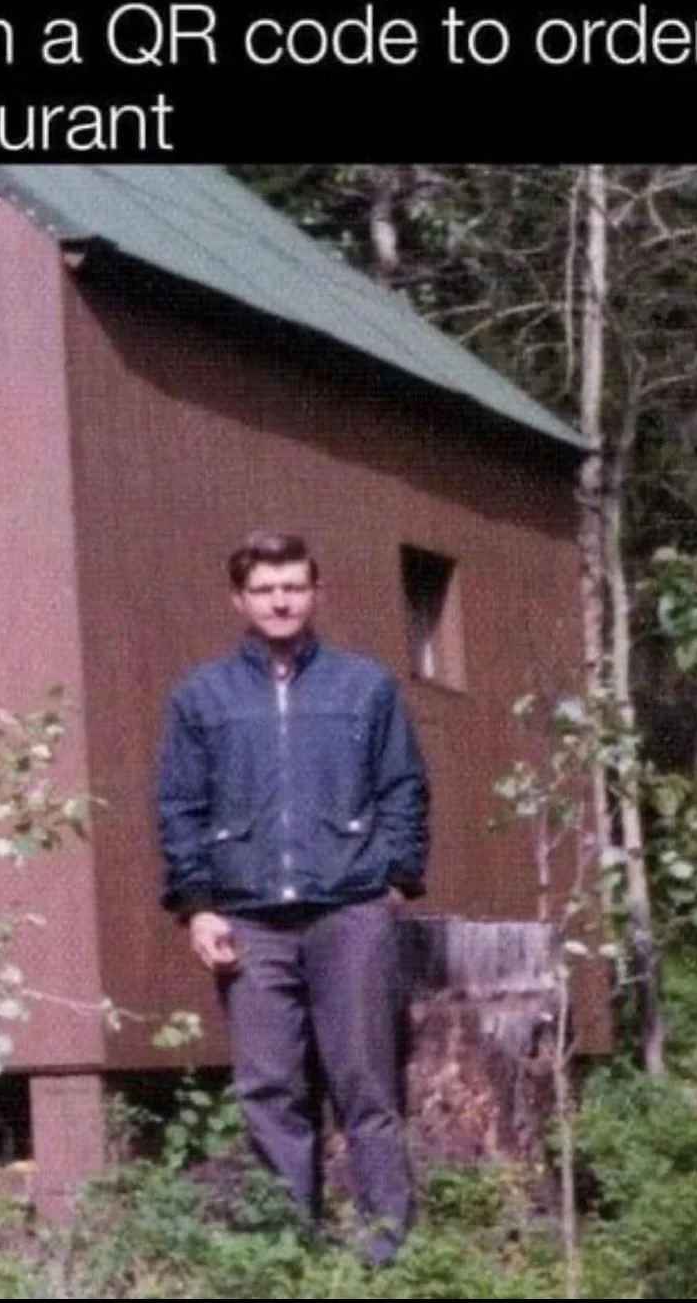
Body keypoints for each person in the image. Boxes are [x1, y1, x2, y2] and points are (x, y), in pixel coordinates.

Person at [157, 530, 429, 1263]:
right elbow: (180, 806)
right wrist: (198, 904)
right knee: (270, 1087)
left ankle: (385, 1253)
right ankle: (289, 1252)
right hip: (249, 919)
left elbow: (402, 786)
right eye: (265, 589)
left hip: (349, 911)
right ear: (239, 600)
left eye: (293, 587)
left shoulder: (364, 687)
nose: (280, 601)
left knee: (365, 1082)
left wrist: (394, 877)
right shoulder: (201, 696)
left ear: (315, 593)